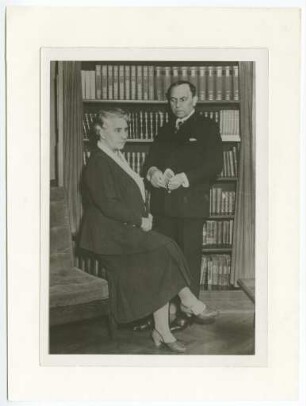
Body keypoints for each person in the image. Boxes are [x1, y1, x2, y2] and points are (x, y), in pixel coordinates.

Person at [79, 108, 215, 353]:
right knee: (163, 247)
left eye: (126, 129)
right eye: (118, 130)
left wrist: (143, 215)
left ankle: (161, 329)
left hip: (121, 229)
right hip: (106, 235)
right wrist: (140, 220)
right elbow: (109, 204)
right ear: (100, 131)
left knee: (161, 254)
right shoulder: (98, 162)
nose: (124, 135)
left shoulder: (115, 156)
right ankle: (188, 301)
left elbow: (126, 196)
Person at [144, 80, 223, 330]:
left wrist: (184, 178)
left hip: (190, 207)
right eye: (173, 100)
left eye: (183, 99)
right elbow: (149, 164)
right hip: (163, 207)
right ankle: (162, 312)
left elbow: (214, 166)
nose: (177, 105)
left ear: (194, 100)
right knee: (163, 259)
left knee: (188, 258)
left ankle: (186, 312)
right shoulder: (164, 129)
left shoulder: (208, 127)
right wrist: (153, 173)